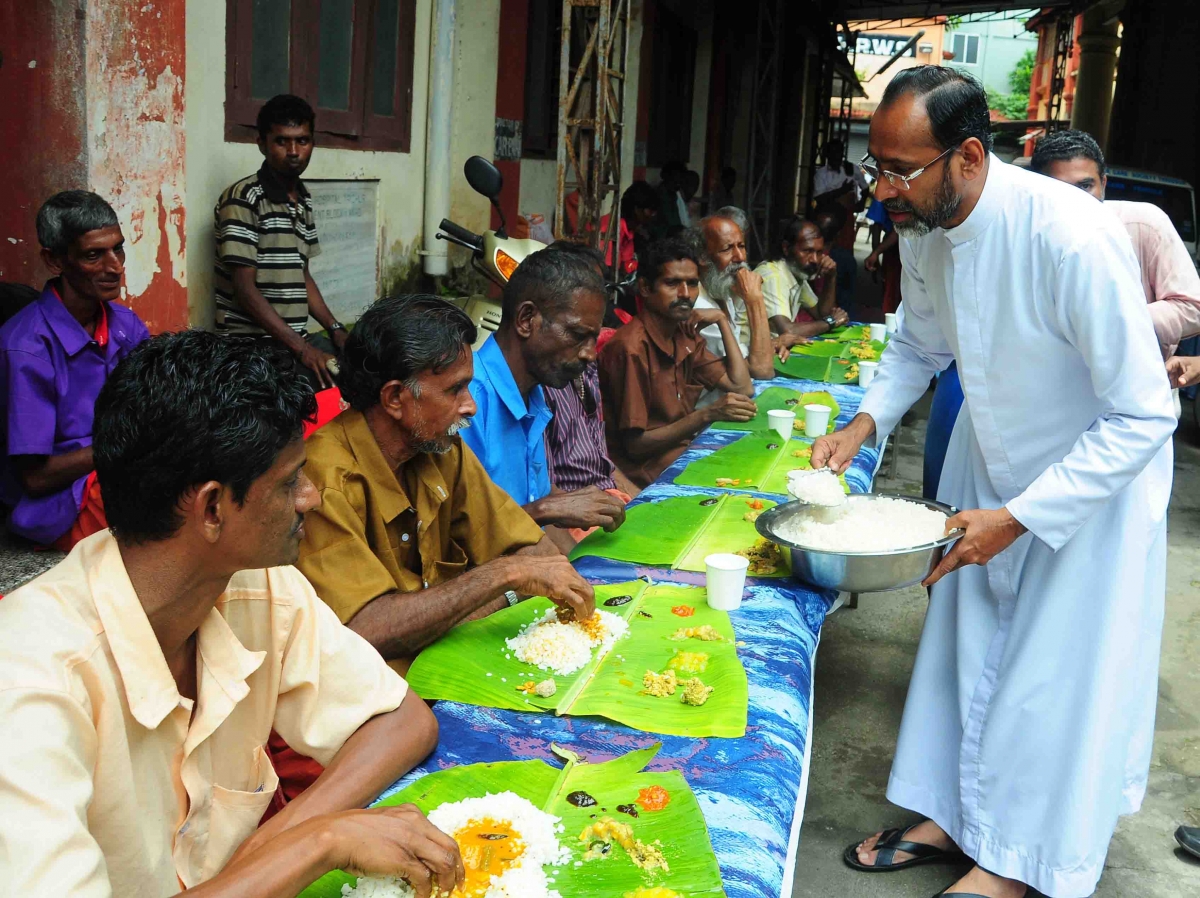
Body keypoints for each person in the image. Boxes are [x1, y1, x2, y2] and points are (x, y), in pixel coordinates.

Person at [817, 67, 1175, 898]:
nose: (883, 191)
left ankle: (1020, 864)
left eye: (900, 171)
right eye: (877, 168)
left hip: (1090, 483)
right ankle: (953, 815)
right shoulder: (926, 224)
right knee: (964, 646)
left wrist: (1020, 518)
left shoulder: (1069, 237)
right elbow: (918, 346)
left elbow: (1142, 414)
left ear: (969, 155)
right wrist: (863, 423)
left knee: (1052, 676)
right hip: (991, 453)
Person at [0, 330, 467, 897]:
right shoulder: (29, 676)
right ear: (214, 508)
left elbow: (401, 721)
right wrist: (317, 843)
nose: (311, 499)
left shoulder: (257, 585)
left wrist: (268, 850)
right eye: (292, 480)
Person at [298, 294, 595, 674]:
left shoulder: (441, 448)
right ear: (394, 398)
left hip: (439, 666)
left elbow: (530, 548)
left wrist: (522, 584)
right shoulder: (324, 483)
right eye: (455, 390)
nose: (470, 405)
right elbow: (364, 629)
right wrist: (504, 577)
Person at [0, 191, 149, 550]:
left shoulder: (126, 326)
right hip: (59, 505)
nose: (114, 266)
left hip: (117, 469)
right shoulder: (27, 347)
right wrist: (126, 444)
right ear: (55, 261)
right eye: (93, 255)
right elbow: (35, 479)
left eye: (118, 249)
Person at [460, 247, 627, 543]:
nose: (590, 354)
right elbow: (456, 536)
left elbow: (538, 529)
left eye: (593, 338)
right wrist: (547, 508)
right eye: (577, 335)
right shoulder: (466, 400)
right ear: (526, 319)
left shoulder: (534, 393)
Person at [214, 94, 348, 390]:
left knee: (362, 369)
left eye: (302, 141)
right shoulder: (243, 198)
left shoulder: (302, 199)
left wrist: (335, 328)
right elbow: (244, 290)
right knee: (323, 388)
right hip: (252, 346)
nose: (293, 151)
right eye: (281, 141)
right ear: (262, 143)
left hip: (293, 340)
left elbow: (302, 275)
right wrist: (302, 349)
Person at [599, 237, 757, 487]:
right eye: (672, 283)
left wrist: (722, 321)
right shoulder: (631, 349)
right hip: (644, 471)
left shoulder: (682, 332)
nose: (685, 294)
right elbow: (635, 446)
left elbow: (742, 387)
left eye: (692, 284)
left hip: (682, 451)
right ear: (645, 288)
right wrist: (707, 414)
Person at [1030, 129, 1200, 359]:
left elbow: (1193, 307)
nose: (1076, 200)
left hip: (1141, 385)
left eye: (1085, 186)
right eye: (1062, 189)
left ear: (1104, 183)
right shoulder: (1023, 237)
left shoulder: (1144, 225)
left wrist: (1117, 322)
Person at [691, 206, 781, 382]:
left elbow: (745, 354)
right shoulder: (699, 305)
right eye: (727, 249)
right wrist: (755, 300)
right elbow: (761, 370)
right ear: (702, 257)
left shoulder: (722, 292)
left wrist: (772, 344)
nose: (740, 257)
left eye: (741, 246)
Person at [754, 215, 849, 341]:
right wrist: (831, 321)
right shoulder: (773, 277)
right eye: (807, 251)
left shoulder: (795, 273)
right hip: (747, 355)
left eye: (819, 252)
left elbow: (821, 314)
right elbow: (788, 331)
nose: (815, 259)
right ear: (786, 248)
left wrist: (831, 277)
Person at [656, 160, 691, 234]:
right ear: (667, 177)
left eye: (681, 180)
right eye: (675, 180)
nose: (678, 184)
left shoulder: (674, 194)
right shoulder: (659, 195)